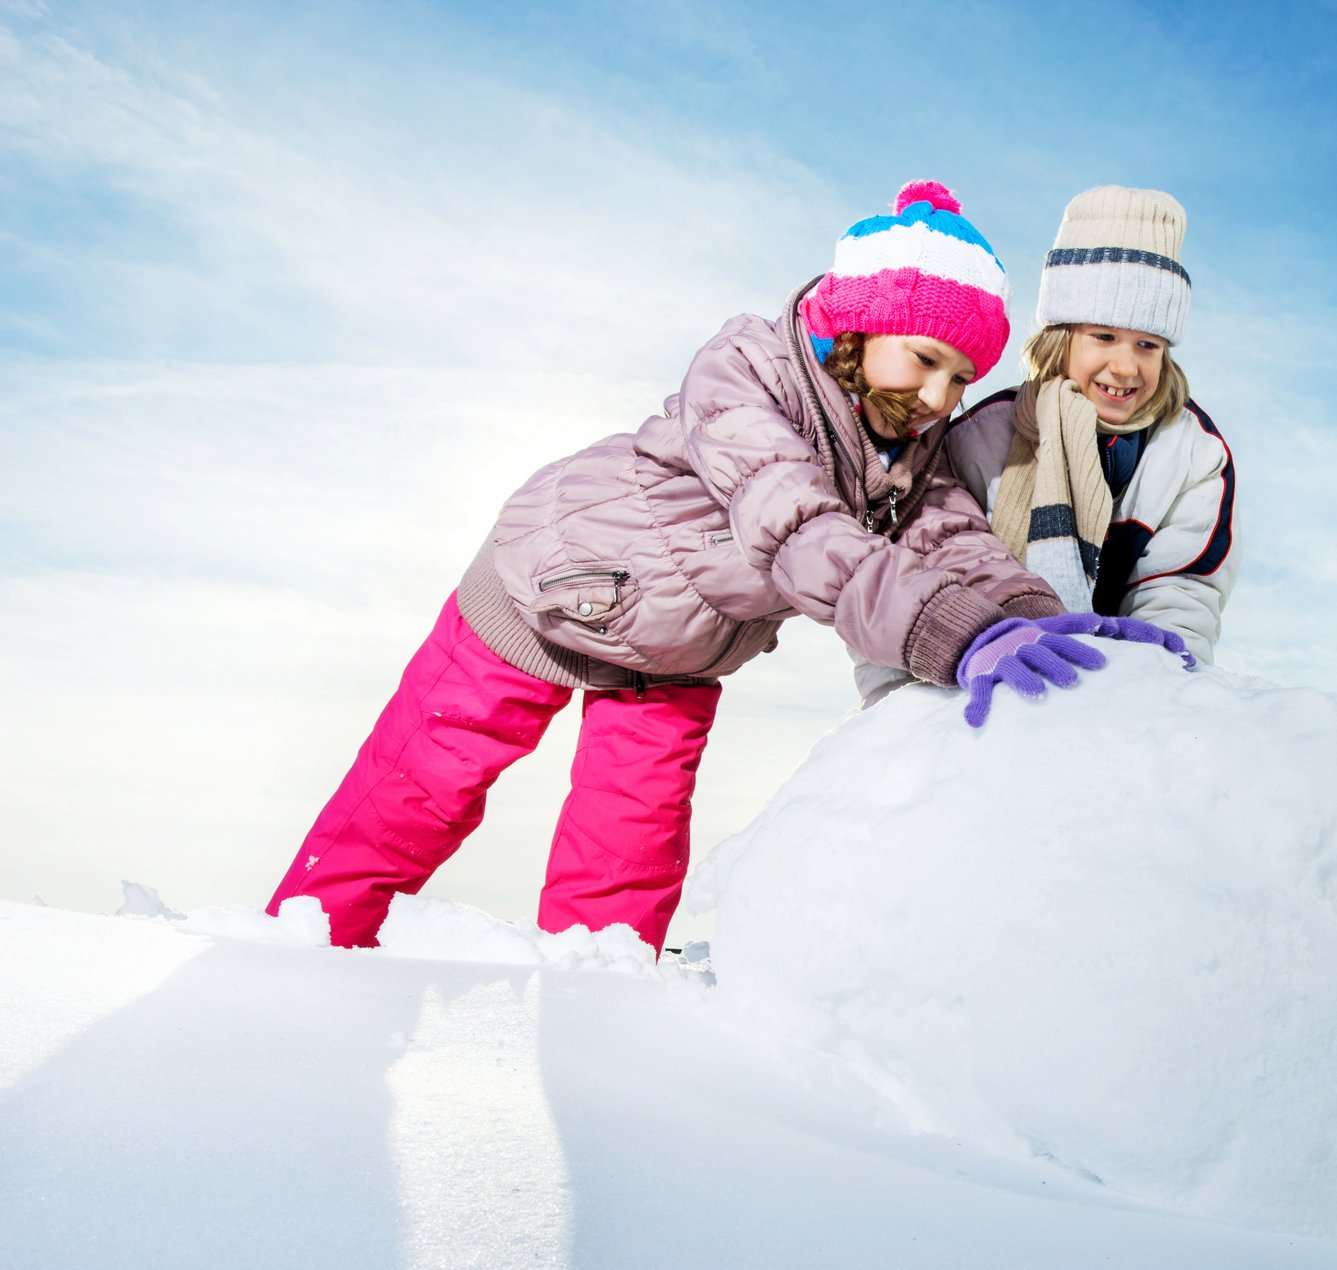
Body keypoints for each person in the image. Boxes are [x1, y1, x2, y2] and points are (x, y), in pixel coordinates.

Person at [267, 181, 1175, 954]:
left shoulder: (906, 433)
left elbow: (948, 529)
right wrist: (954, 633)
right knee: (419, 788)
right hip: (545, 589)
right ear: (864, 325)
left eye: (961, 376)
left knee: (629, 855)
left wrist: (1025, 611)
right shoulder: (745, 374)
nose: (941, 397)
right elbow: (797, 529)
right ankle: (291, 953)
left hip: (680, 651)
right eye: (928, 360)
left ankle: (592, 1016)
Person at [852, 186, 1236, 708]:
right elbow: (911, 568)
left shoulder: (1190, 452)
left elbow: (1180, 592)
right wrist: (905, 713)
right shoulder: (981, 436)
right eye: (1103, 336)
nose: (1126, 367)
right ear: (1062, 336)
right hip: (988, 679)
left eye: (1148, 344)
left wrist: (1158, 693)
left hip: (1120, 688)